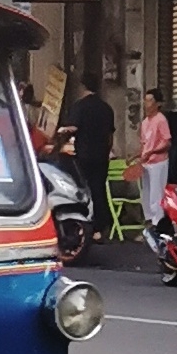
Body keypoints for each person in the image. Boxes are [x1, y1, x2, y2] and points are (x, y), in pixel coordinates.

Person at [68, 73, 115, 243]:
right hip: (102, 155)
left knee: (83, 190)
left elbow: (72, 128)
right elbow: (110, 135)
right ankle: (101, 227)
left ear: (82, 87)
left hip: (84, 155)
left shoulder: (79, 107)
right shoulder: (106, 108)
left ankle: (85, 225)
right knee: (99, 189)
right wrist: (106, 150)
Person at [139, 88, 172, 225]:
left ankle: (157, 224)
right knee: (146, 194)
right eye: (145, 100)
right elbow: (144, 144)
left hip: (158, 163)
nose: (147, 104)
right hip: (146, 163)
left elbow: (167, 142)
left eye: (150, 100)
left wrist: (152, 152)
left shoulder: (161, 120)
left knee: (156, 195)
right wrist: (138, 156)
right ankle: (149, 221)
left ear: (158, 104)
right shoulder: (145, 122)